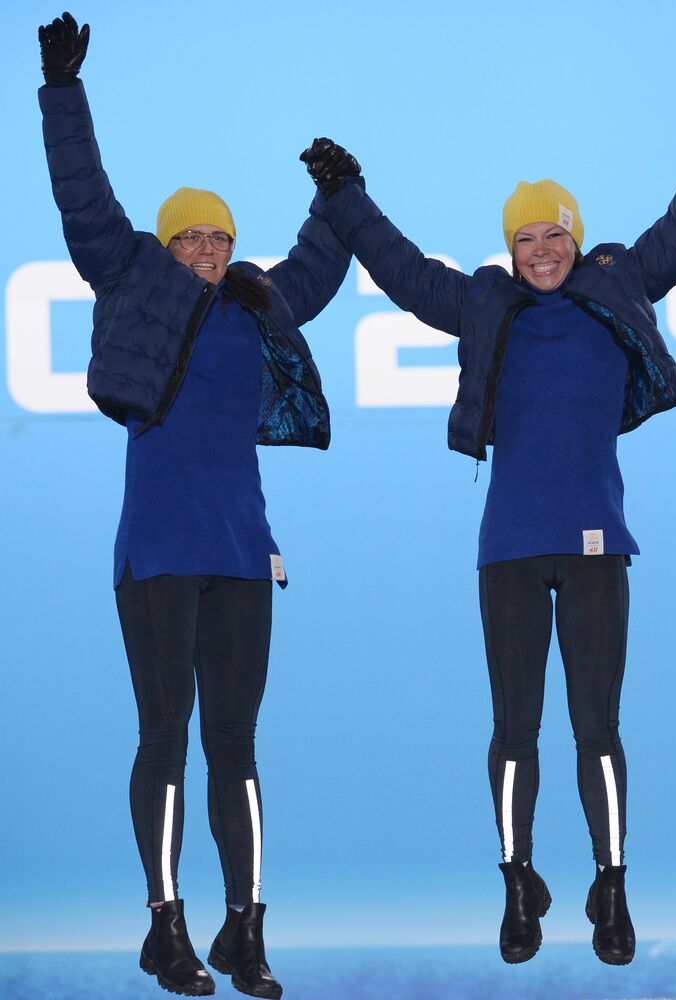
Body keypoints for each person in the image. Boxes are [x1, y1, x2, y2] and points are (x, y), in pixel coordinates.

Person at [299, 101, 676, 967]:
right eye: (526, 239)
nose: (542, 250)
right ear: (510, 252)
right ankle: (519, 883)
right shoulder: (485, 304)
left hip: (598, 546)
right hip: (509, 551)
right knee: (513, 727)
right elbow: (403, 270)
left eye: (555, 234)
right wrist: (346, 193)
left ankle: (611, 883)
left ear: (576, 239)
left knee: (596, 726)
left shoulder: (616, 285)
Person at [38, 12, 352, 997]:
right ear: (167, 244)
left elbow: (320, 263)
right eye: (192, 236)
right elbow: (83, 197)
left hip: (242, 552)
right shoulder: (131, 278)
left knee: (235, 743)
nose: (208, 248)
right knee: (165, 731)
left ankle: (245, 929)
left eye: (218, 235)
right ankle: (164, 922)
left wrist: (335, 194)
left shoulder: (257, 304)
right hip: (158, 552)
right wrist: (62, 92)